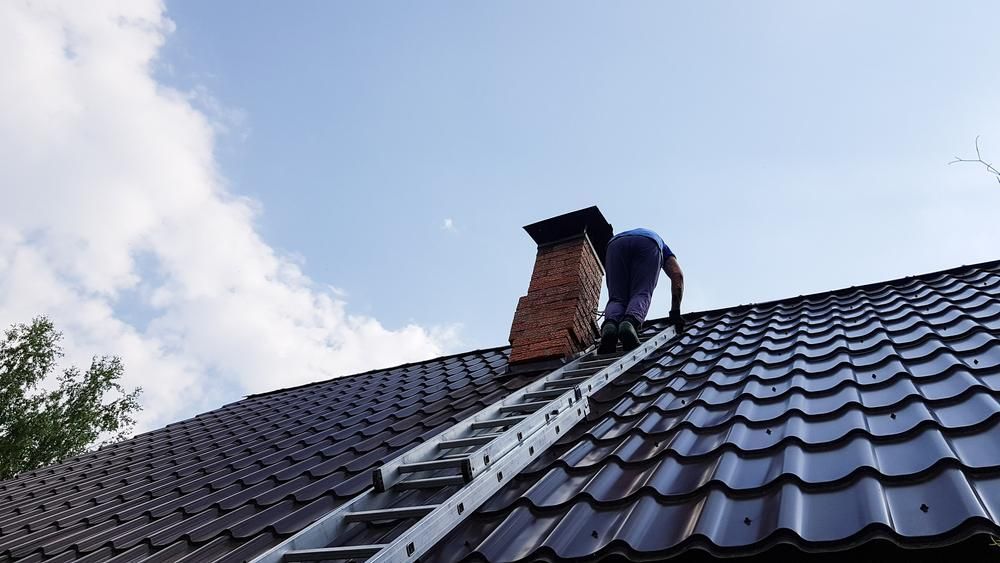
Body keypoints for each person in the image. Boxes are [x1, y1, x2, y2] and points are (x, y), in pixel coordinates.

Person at [598, 227, 685, 354]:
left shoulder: (625, 236)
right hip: (649, 243)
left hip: (615, 244)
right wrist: (675, 312)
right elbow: (677, 275)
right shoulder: (664, 248)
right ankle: (629, 324)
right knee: (641, 291)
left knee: (617, 297)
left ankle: (609, 328)